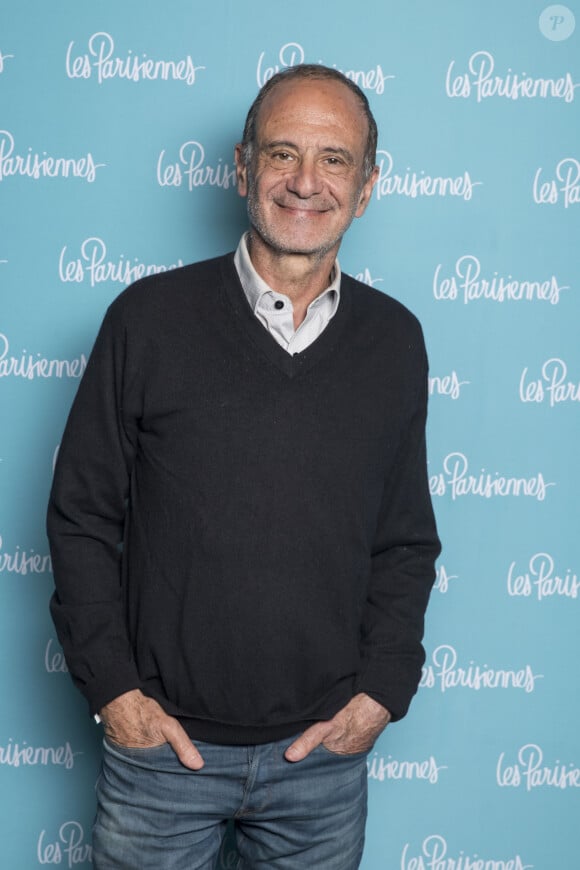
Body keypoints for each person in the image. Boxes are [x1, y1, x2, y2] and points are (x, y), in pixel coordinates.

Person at [47, 64, 441, 870]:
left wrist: (381, 695)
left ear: (366, 186)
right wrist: (116, 696)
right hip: (162, 759)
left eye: (335, 160)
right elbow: (82, 517)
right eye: (282, 153)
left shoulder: (395, 341)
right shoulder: (146, 320)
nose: (305, 182)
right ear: (242, 168)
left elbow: (404, 540)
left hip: (322, 763)